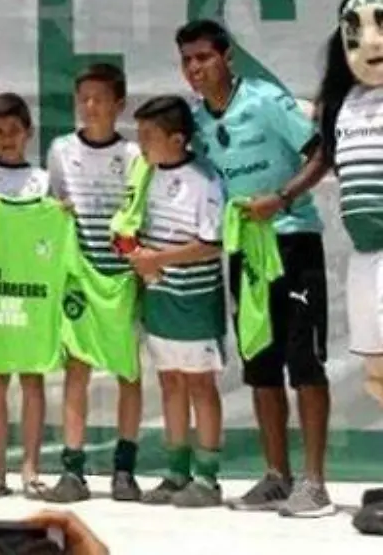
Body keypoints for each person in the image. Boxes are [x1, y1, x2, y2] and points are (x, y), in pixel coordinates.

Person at [177, 19, 333, 517]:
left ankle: (315, 483)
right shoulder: (197, 122)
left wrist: (281, 198)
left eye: (204, 57)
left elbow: (321, 154)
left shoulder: (265, 100)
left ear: (227, 57)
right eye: (187, 60)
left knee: (303, 362)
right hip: (244, 251)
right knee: (261, 365)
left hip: (293, 242)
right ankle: (276, 478)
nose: (195, 68)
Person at [42, 64, 143, 503]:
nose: (90, 106)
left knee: (128, 371)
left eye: (99, 98)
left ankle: (124, 470)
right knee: (77, 369)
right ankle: (72, 469)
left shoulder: (135, 155)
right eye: (83, 98)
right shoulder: (61, 149)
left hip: (121, 277)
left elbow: (139, 214)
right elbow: (53, 207)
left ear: (119, 104)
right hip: (79, 275)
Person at [127, 96, 226, 509]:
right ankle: (176, 472)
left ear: (177, 139)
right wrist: (135, 254)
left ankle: (207, 478)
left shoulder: (205, 179)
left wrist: (159, 260)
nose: (141, 143)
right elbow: (130, 225)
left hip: (196, 300)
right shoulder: (143, 176)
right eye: (139, 134)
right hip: (160, 299)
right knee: (170, 382)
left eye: (149, 135)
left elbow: (211, 243)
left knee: (200, 384)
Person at [314, 0, 383, 536]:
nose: (371, 42)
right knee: (377, 374)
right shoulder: (345, 105)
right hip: (365, 257)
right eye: (355, 32)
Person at [0, 93, 52, 500]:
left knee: (33, 377)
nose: (7, 138)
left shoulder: (43, 180)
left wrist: (62, 213)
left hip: (34, 291)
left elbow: (52, 233)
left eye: (14, 130)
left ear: (28, 133)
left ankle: (31, 469)